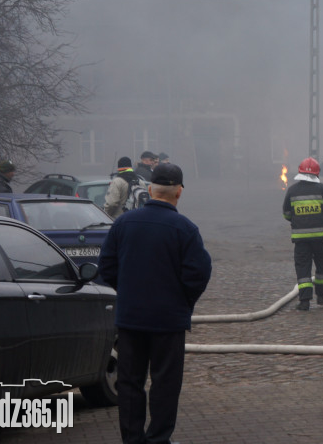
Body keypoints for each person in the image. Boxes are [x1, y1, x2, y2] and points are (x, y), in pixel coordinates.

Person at [98, 163, 212, 444]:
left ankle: (132, 439)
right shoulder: (186, 229)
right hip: (168, 321)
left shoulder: (123, 224)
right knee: (165, 383)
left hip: (130, 319)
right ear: (179, 193)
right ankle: (159, 439)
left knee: (129, 382)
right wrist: (182, 302)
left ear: (150, 190)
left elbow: (107, 267)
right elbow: (198, 274)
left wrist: (127, 291)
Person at [282, 156, 323, 310]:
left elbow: (287, 213)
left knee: (303, 267)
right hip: (321, 237)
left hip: (300, 238)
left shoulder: (292, 190)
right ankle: (322, 297)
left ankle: (304, 301)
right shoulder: (322, 189)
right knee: (322, 265)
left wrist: (299, 220)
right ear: (316, 174)